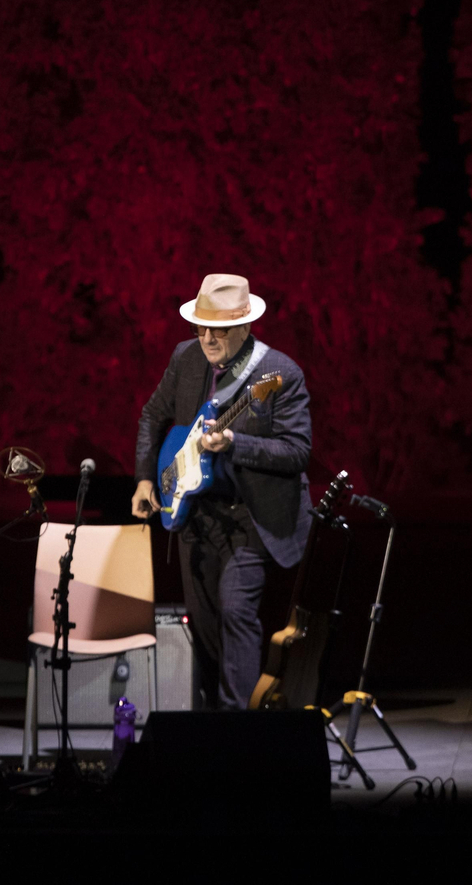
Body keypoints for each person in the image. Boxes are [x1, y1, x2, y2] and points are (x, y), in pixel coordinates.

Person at [132, 273, 313, 710]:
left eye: (220, 329)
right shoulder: (185, 357)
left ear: (246, 326)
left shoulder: (278, 373)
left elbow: (296, 451)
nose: (208, 338)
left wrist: (236, 442)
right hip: (196, 515)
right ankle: (214, 724)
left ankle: (239, 731)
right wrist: (143, 477)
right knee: (206, 627)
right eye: (201, 327)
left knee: (236, 614)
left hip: (248, 517)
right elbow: (153, 415)